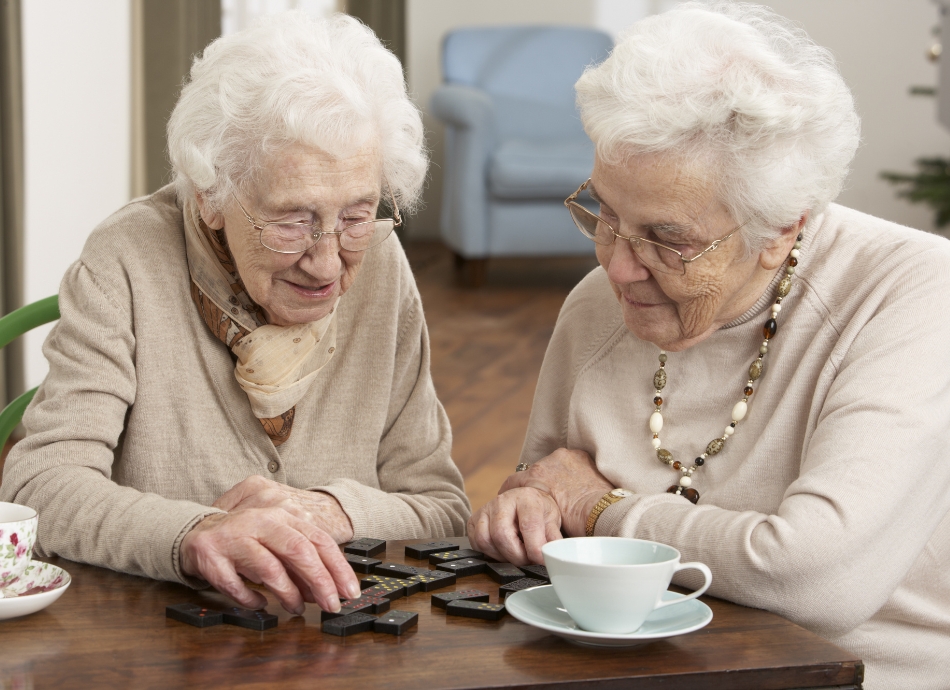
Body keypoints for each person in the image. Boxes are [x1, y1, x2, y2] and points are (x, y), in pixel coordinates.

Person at [468, 3, 950, 688]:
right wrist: (528, 513)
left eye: (667, 240)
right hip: (628, 670)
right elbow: (547, 510)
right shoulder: (596, 308)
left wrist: (603, 511)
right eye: (604, 213)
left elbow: (819, 578)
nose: (618, 266)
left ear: (781, 231)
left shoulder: (913, 296)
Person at [0, 13, 470, 616]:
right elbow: (42, 486)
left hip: (333, 643)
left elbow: (440, 504)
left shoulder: (380, 260)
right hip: (154, 642)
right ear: (211, 195)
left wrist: (326, 509)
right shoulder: (126, 259)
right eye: (291, 220)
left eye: (356, 214)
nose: (327, 263)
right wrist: (194, 534)